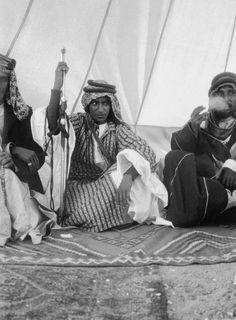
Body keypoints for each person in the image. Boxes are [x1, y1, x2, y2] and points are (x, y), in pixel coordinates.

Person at [45, 63, 168, 231]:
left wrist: (127, 177)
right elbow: (52, 124)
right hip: (80, 187)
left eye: (105, 103)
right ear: (88, 104)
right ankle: (114, 216)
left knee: (132, 161)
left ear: (112, 105)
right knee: (83, 213)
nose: (101, 109)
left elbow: (146, 154)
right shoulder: (78, 123)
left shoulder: (117, 129)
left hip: (110, 184)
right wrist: (57, 86)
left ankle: (115, 212)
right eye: (95, 103)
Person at [162, 72, 236, 227]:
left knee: (215, 192)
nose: (227, 98)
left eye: (232, 93)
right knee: (174, 157)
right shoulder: (202, 123)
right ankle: (196, 208)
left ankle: (200, 208)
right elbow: (181, 151)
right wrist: (192, 129)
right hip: (208, 182)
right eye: (220, 94)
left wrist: (231, 166)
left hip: (231, 185)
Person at [0, 54, 55, 245]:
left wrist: (13, 153)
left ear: (10, 83)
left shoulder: (21, 113)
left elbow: (37, 154)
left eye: (3, 80)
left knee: (5, 174)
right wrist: (9, 148)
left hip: (16, 175)